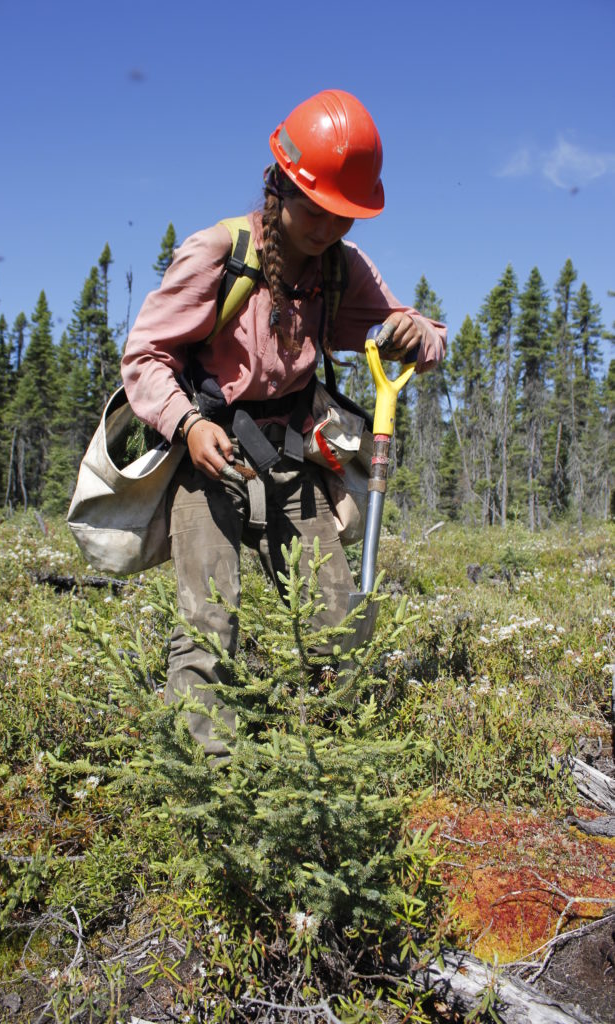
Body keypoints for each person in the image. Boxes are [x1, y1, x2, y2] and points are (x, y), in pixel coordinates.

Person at [121, 89, 447, 758]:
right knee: (209, 618)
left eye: (342, 217)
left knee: (332, 620)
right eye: (316, 210)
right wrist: (186, 426)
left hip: (294, 456)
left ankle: (328, 758)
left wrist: (417, 334)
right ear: (281, 184)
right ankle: (207, 780)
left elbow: (404, 329)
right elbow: (145, 355)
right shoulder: (218, 252)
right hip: (209, 454)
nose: (327, 228)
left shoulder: (340, 270)